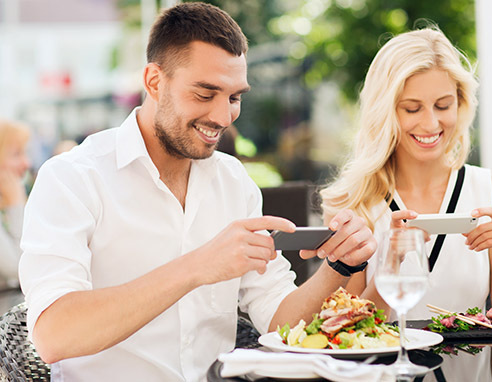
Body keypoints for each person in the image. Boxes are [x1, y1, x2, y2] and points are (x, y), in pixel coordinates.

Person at [18, 3, 375, 381]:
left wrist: (338, 266)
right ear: (155, 82)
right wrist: (198, 266)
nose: (223, 117)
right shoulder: (73, 178)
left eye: (235, 98)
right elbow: (54, 335)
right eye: (206, 94)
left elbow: (280, 321)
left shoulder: (234, 182)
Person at [319, 27, 492, 321]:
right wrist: (391, 265)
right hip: (386, 368)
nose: (431, 123)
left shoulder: (489, 192)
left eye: (443, 105)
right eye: (412, 109)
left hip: (473, 369)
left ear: (460, 103)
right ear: (385, 112)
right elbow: (346, 334)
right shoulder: (353, 204)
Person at [0, 118, 30, 293]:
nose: (26, 163)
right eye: (16, 154)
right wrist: (16, 206)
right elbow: (20, 269)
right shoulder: (13, 204)